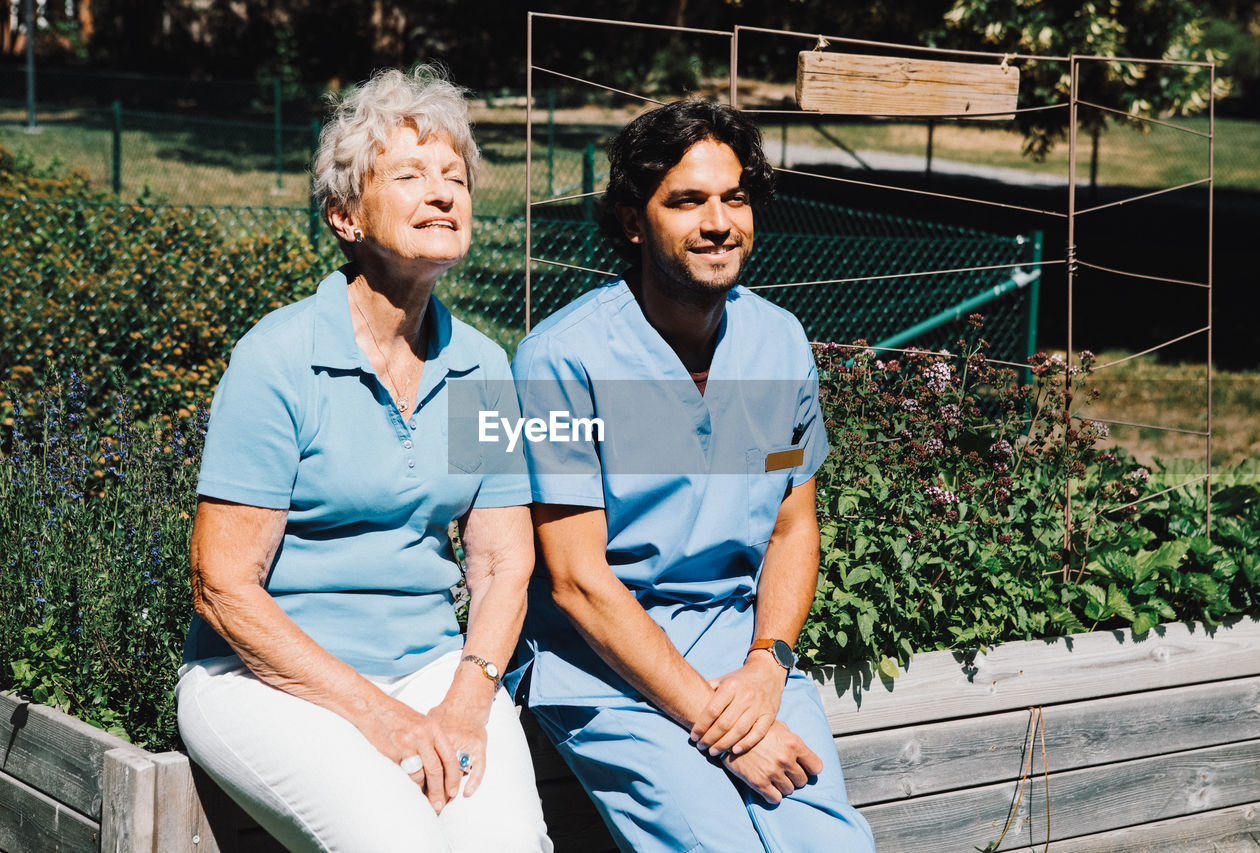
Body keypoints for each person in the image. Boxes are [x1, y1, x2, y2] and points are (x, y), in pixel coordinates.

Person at [175, 65, 552, 853]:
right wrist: (378, 715)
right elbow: (223, 586)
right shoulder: (278, 359)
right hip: (262, 683)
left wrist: (465, 700)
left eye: (455, 176)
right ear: (345, 215)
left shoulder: (483, 367)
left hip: (430, 671)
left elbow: (501, 566)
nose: (444, 193)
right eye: (411, 175)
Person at [509, 99, 876, 852]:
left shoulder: (778, 342)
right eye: (687, 201)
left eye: (733, 197)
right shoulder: (558, 361)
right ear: (634, 221)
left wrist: (768, 664)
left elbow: (791, 524)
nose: (718, 222)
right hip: (604, 669)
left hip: (740, 654)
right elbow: (577, 580)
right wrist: (723, 725)